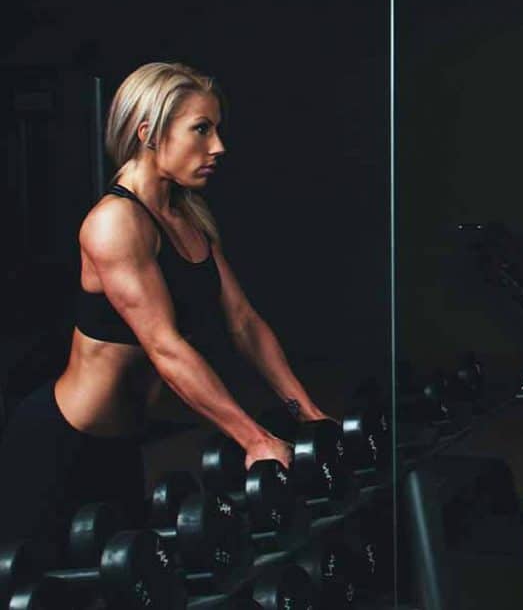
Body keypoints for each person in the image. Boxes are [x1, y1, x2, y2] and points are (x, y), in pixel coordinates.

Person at [0, 62, 333, 555]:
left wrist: (308, 414)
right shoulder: (114, 223)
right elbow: (165, 347)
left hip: (119, 448)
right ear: (147, 132)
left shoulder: (186, 216)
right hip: (58, 444)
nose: (218, 146)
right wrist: (255, 440)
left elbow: (243, 323)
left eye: (216, 129)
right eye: (201, 129)